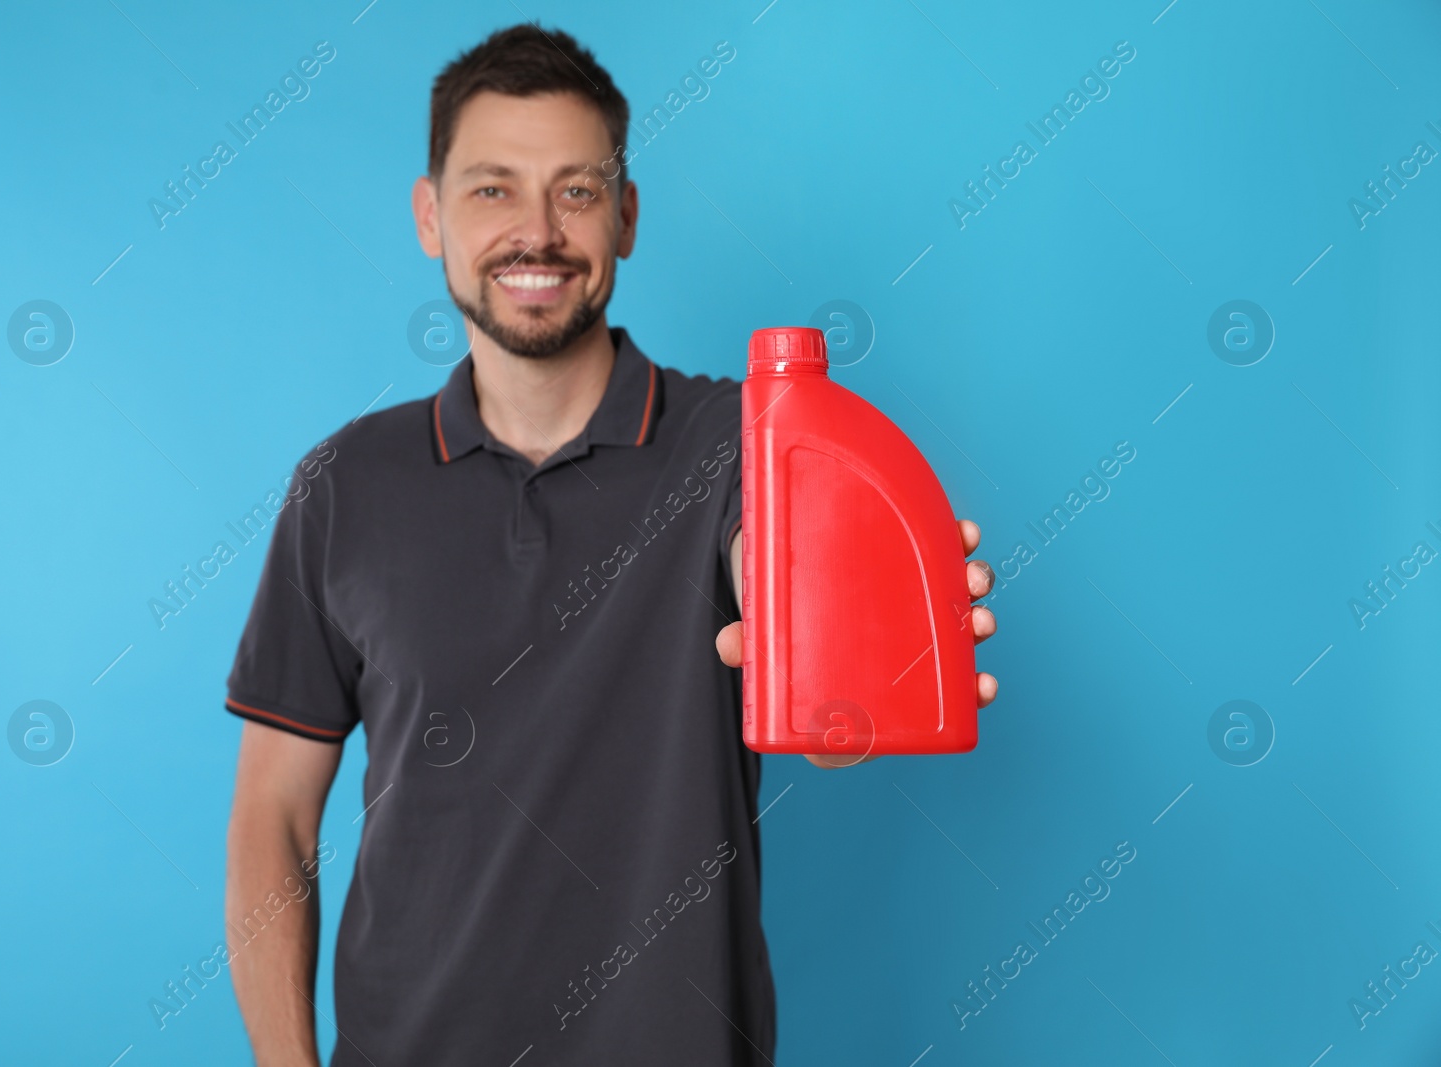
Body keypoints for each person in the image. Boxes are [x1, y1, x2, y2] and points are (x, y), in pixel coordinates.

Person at [223, 23, 999, 1067]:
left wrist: (854, 656)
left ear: (626, 217)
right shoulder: (343, 484)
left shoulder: (741, 445)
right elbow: (272, 811)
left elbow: (779, 595)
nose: (535, 232)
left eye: (576, 191)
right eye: (492, 188)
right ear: (429, 216)